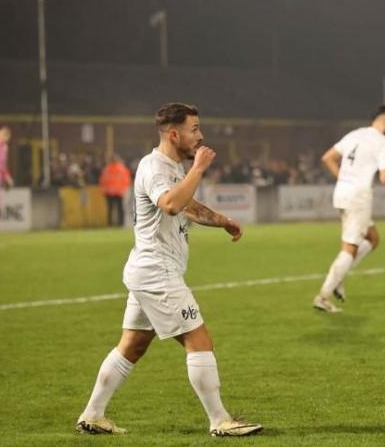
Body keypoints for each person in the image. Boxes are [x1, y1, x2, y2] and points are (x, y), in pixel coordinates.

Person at [76, 103, 262, 437]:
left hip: (148, 269)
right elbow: (172, 204)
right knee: (198, 338)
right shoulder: (154, 168)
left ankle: (92, 414)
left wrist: (223, 221)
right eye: (194, 129)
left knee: (132, 345)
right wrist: (199, 169)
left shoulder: (173, 168)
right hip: (156, 271)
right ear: (174, 134)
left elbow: (187, 206)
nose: (200, 136)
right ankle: (220, 420)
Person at [314, 105, 385, 313]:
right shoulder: (382, 142)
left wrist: (344, 179)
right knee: (350, 248)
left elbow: (327, 158)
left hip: (342, 192)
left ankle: (340, 277)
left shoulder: (354, 134)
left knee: (373, 239)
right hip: (358, 197)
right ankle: (323, 297)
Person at [99, 154, 132, 226]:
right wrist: (125, 190)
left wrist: (104, 190)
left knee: (110, 209)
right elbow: (127, 181)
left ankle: (110, 224)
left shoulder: (106, 169)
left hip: (109, 192)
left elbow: (102, 181)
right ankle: (120, 223)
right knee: (120, 208)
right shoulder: (122, 169)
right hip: (119, 192)